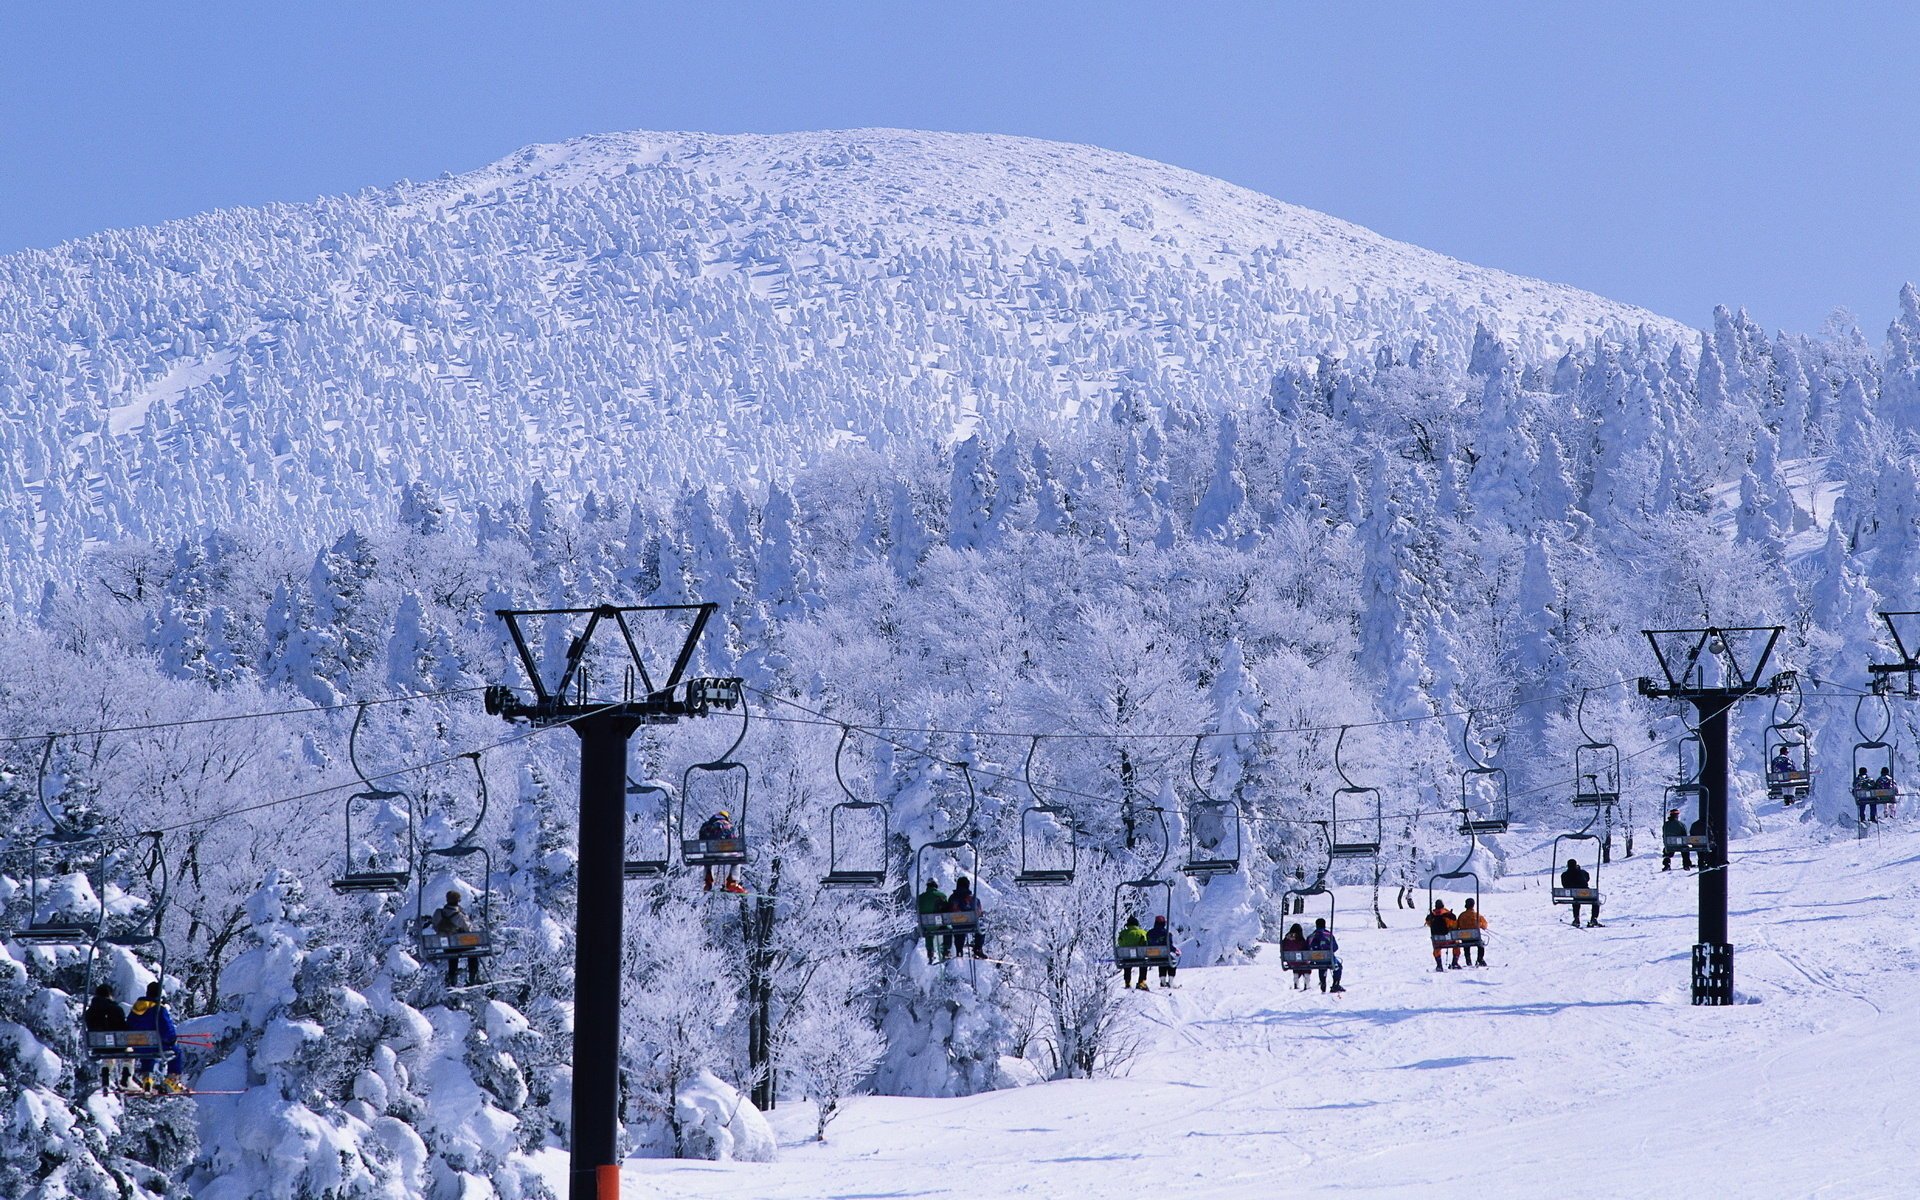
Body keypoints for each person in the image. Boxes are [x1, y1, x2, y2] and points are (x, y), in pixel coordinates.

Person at [125, 981, 183, 1093]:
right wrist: (172, 1040)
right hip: (154, 1045)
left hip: (136, 1045)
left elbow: (129, 1024)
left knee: (147, 1052)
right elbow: (166, 1028)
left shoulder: (136, 1008)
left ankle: (147, 1079)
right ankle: (172, 1081)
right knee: (177, 1052)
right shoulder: (159, 1009)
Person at [83, 983, 130, 1091]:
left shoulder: (90, 1011)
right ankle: (126, 1077)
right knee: (128, 1051)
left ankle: (106, 1070)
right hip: (117, 1045)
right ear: (109, 995)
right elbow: (122, 1028)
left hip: (97, 1046)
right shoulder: (115, 1009)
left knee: (108, 1051)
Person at [432, 890, 482, 987]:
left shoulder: (438, 913)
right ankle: (473, 976)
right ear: (458, 901)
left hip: (446, 947)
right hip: (460, 946)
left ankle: (452, 978)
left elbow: (435, 925)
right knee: (472, 952)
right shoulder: (459, 916)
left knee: (452, 953)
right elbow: (469, 930)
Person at [698, 810, 743, 892]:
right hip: (722, 851)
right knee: (738, 857)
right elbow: (732, 841)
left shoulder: (706, 825)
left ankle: (708, 881)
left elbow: (701, 838)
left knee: (707, 859)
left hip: (708, 853)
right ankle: (732, 881)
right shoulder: (726, 824)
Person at [944, 876, 984, 960]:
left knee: (958, 929)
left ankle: (959, 949)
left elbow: (948, 910)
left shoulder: (952, 898)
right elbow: (979, 912)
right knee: (981, 928)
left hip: (956, 923)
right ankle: (978, 948)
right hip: (971, 924)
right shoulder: (973, 898)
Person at [1307, 917, 1344, 993]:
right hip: (1328, 959)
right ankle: (1336, 984)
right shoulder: (1328, 935)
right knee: (1338, 966)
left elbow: (1306, 948)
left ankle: (1323, 981)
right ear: (1324, 925)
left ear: (1316, 925)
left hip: (1315, 960)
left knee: (1321, 964)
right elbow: (1335, 947)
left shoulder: (1311, 936)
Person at [1561, 857, 1599, 928]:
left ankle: (1576, 918)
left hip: (1575, 895)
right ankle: (1594, 918)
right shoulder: (1581, 872)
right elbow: (1587, 878)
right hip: (1586, 894)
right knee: (1595, 900)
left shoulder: (1564, 875)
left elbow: (1565, 885)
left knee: (1576, 901)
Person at [916, 879, 949, 962]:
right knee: (948, 929)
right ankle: (945, 950)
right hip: (937, 924)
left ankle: (930, 952)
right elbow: (946, 908)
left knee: (928, 932)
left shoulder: (920, 897)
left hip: (926, 924)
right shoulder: (941, 896)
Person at [1116, 915, 1149, 990]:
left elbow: (1120, 943)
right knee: (1144, 964)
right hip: (1140, 958)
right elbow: (1145, 943)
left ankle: (1127, 982)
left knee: (1127, 966)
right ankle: (1141, 982)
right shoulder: (1142, 933)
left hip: (1127, 958)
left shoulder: (1122, 933)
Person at [1146, 914, 1178, 988]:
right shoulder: (1166, 934)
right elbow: (1169, 946)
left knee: (1161, 958)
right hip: (1163, 956)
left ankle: (1163, 981)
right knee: (1171, 961)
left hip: (1152, 956)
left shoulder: (1149, 933)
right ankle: (1170, 981)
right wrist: (1175, 950)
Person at [1425, 900, 1457, 972]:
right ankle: (1455, 963)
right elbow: (1454, 924)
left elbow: (1428, 923)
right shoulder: (1447, 914)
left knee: (1436, 949)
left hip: (1437, 941)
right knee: (1456, 944)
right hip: (1448, 940)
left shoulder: (1431, 915)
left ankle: (1439, 965)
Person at [1456, 898, 1489, 967]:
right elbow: (1485, 926)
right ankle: (1480, 959)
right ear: (1473, 905)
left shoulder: (1461, 915)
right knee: (1481, 945)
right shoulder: (1477, 915)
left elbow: (1456, 926)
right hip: (1475, 938)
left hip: (1464, 938)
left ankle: (1468, 961)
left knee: (1466, 946)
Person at [1281, 922, 1312, 990]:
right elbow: (1305, 949)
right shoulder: (1300, 939)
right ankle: (1307, 981)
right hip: (1301, 961)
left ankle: (1296, 979)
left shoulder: (1286, 938)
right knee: (1305, 965)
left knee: (1297, 964)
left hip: (1290, 960)